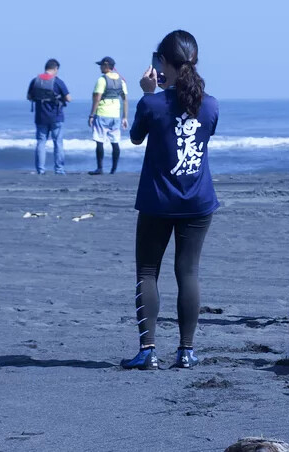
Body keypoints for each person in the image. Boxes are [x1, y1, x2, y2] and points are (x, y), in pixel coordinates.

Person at [120, 30, 220, 370]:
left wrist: (149, 93)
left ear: (163, 62)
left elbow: (135, 138)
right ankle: (186, 351)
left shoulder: (152, 102)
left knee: (148, 272)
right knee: (188, 272)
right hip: (198, 200)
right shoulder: (211, 104)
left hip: (158, 201)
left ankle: (148, 351)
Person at [27, 58, 71, 175]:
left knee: (41, 143)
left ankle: (41, 170)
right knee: (58, 143)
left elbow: (29, 97)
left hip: (40, 116)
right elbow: (68, 98)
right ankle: (59, 169)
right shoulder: (57, 81)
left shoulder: (35, 81)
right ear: (55, 69)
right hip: (56, 116)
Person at [88, 56, 129, 175]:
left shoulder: (102, 80)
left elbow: (97, 98)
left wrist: (91, 115)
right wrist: (125, 117)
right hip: (115, 114)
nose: (100, 67)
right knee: (115, 141)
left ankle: (100, 168)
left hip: (102, 113)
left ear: (106, 66)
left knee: (99, 140)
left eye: (101, 65)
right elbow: (125, 99)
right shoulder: (121, 81)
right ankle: (114, 169)